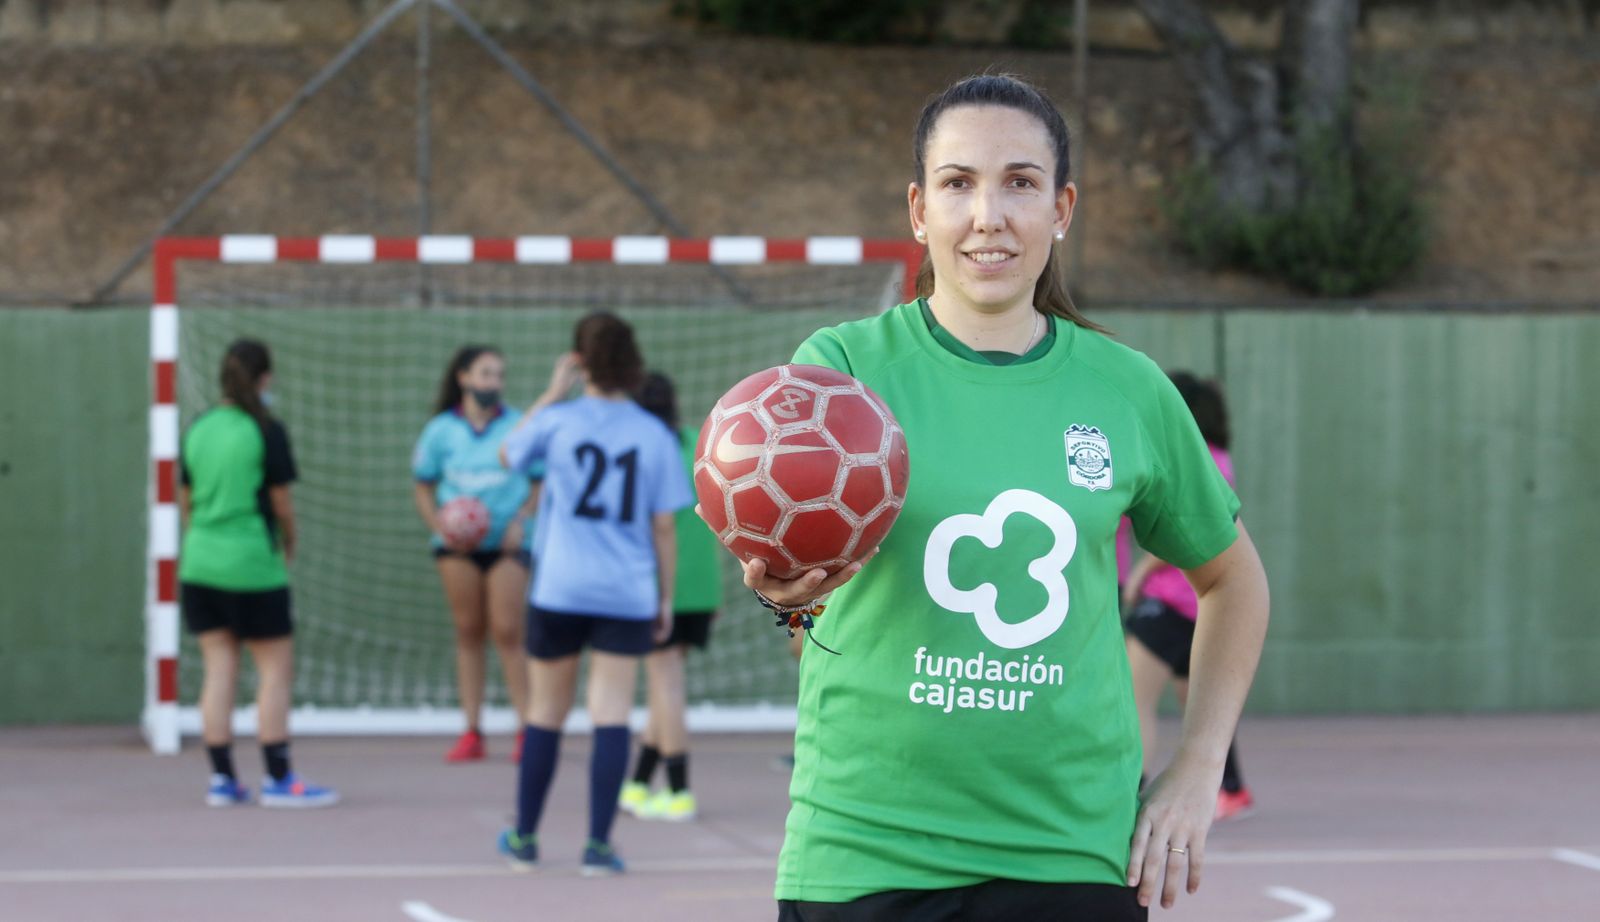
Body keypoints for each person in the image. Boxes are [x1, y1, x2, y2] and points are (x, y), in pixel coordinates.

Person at [732, 74, 1270, 919]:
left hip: (1071, 853)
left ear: (1061, 208)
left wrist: (1199, 769)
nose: (990, 215)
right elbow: (803, 601)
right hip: (866, 849)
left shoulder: (1125, 389)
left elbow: (1233, 581)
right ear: (918, 210)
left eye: (1020, 182)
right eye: (958, 184)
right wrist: (785, 597)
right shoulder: (841, 372)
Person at [495, 313, 694, 876]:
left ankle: (525, 838)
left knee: (545, 713)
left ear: (578, 360)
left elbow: (508, 454)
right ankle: (598, 847)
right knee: (610, 715)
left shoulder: (558, 421)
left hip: (559, 588)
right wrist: (664, 599)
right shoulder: (654, 435)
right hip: (626, 592)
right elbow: (663, 528)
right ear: (633, 362)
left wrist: (550, 393)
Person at [178, 338, 337, 808]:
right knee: (273, 671)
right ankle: (279, 778)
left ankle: (223, 780)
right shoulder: (265, 429)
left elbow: (185, 499)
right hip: (251, 564)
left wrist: (203, 539)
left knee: (218, 669)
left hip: (200, 562)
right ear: (265, 378)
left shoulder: (199, 427)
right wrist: (289, 542)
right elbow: (281, 503)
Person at [1121, 373, 1255, 822]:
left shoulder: (1192, 459)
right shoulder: (1220, 457)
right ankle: (1231, 787)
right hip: (1197, 607)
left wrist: (1142, 570)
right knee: (1195, 699)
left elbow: (1193, 531)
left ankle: (1127, 791)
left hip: (1174, 600)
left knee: (1134, 697)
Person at [412, 346, 537, 763]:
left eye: (499, 375)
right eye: (485, 374)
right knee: (468, 631)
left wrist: (520, 520)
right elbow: (423, 486)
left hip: (507, 545)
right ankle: (472, 730)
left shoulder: (517, 425)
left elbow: (540, 482)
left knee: (508, 630)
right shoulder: (441, 430)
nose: (493, 383)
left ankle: (527, 728)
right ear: (464, 377)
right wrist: (441, 528)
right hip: (457, 549)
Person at [619, 371, 724, 822]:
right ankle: (639, 785)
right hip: (703, 585)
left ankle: (680, 792)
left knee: (666, 687)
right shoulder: (696, 443)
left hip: (662, 585)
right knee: (666, 686)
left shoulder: (640, 451)